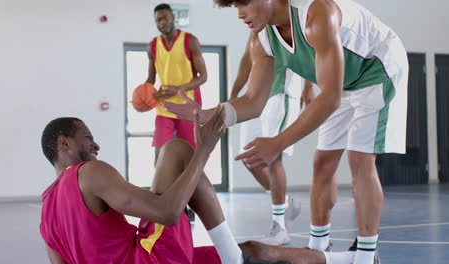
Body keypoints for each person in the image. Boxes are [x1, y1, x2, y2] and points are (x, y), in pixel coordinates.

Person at [163, 0, 409, 263]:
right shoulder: (262, 40)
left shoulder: (316, 14)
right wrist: (207, 114)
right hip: (344, 84)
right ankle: (318, 248)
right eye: (235, 6)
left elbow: (330, 98)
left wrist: (277, 143)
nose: (240, 14)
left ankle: (365, 257)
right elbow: (253, 102)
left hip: (378, 68)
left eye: (244, 2)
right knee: (322, 162)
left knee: (359, 159)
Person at [39, 111, 293, 264]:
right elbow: (167, 213)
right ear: (64, 143)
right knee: (176, 149)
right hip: (152, 259)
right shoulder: (88, 172)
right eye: (88, 138)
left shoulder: (46, 214)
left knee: (251, 251)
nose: (96, 146)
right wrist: (204, 149)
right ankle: (231, 257)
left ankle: (330, 259)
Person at [230, 32, 316, 246]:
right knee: (250, 158)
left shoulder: (284, 19)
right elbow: (246, 59)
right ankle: (285, 202)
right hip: (257, 96)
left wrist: (307, 85)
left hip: (282, 93)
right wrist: (233, 95)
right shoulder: (255, 28)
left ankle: (279, 227)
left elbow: (306, 53)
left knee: (273, 157)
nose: (242, 14)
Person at [146, 3, 207, 162]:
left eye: (165, 18)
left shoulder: (190, 41)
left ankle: (192, 187)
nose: (162, 22)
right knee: (160, 155)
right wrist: (143, 98)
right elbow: (150, 80)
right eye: (158, 20)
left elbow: (203, 76)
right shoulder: (152, 46)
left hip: (187, 106)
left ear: (173, 17)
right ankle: (160, 187)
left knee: (190, 156)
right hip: (164, 106)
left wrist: (179, 89)